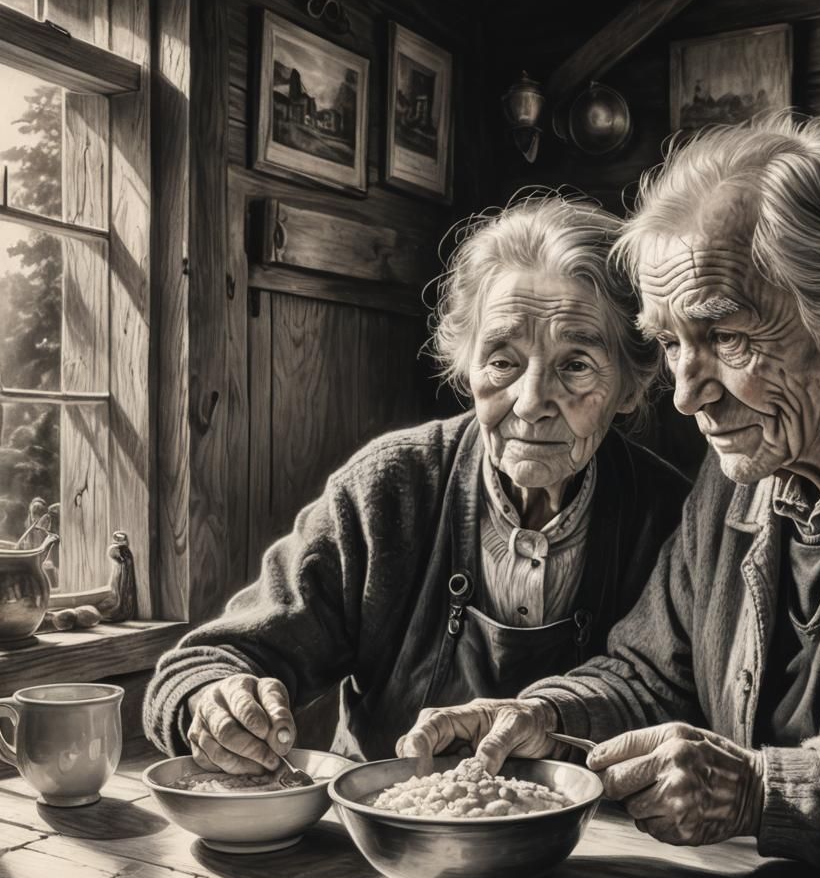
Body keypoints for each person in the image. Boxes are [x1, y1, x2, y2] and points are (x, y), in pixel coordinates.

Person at [398, 114, 820, 876]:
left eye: (726, 337)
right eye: (670, 343)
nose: (687, 395)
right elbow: (650, 674)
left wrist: (764, 791)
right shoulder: (750, 462)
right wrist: (545, 713)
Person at [143, 194, 688, 771]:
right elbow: (205, 663)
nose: (531, 403)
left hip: (590, 826)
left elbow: (675, 699)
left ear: (631, 385)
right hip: (384, 816)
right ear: (467, 366)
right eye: (502, 361)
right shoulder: (388, 491)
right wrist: (216, 702)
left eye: (575, 365)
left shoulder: (671, 519)